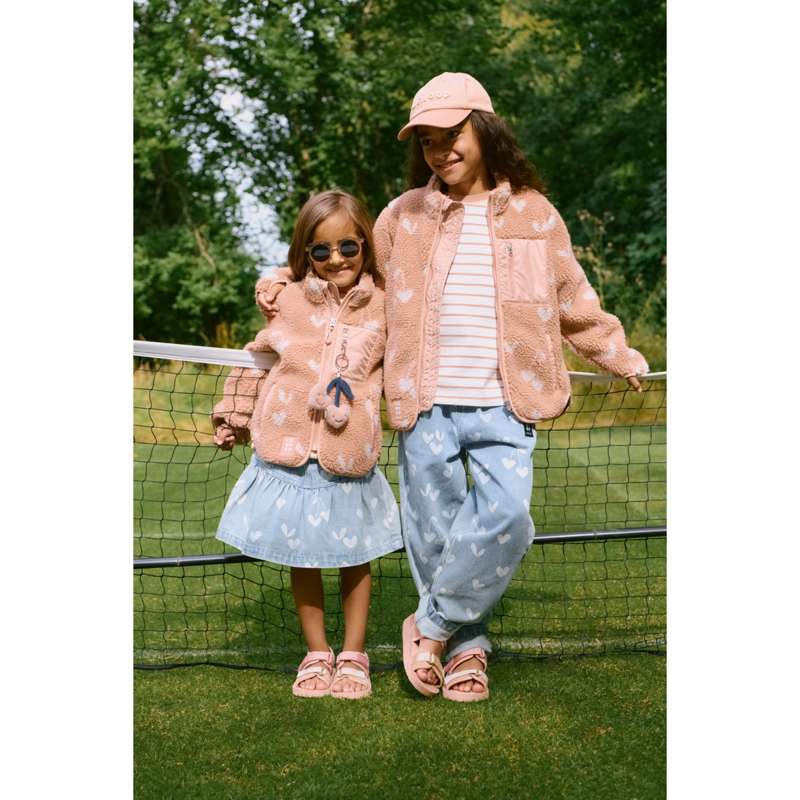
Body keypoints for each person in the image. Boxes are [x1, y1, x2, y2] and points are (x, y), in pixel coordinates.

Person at [256, 72, 649, 702]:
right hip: (424, 402)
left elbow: (572, 299)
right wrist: (285, 278)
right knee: (436, 534)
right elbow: (353, 275)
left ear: (485, 129)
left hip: (507, 402)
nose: (441, 151)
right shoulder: (402, 216)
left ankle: (431, 625)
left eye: (452, 135)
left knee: (507, 518)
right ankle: (469, 649)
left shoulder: (535, 215)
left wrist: (616, 353)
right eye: (428, 141)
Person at [212, 190, 402, 700]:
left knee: (355, 558)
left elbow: (405, 364)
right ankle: (317, 653)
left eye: (347, 246)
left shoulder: (385, 306)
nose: (336, 258)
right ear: (305, 252)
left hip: (349, 452)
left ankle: (354, 654)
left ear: (365, 244)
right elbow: (257, 359)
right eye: (321, 250)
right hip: (290, 449)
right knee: (305, 557)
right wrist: (233, 415)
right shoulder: (289, 301)